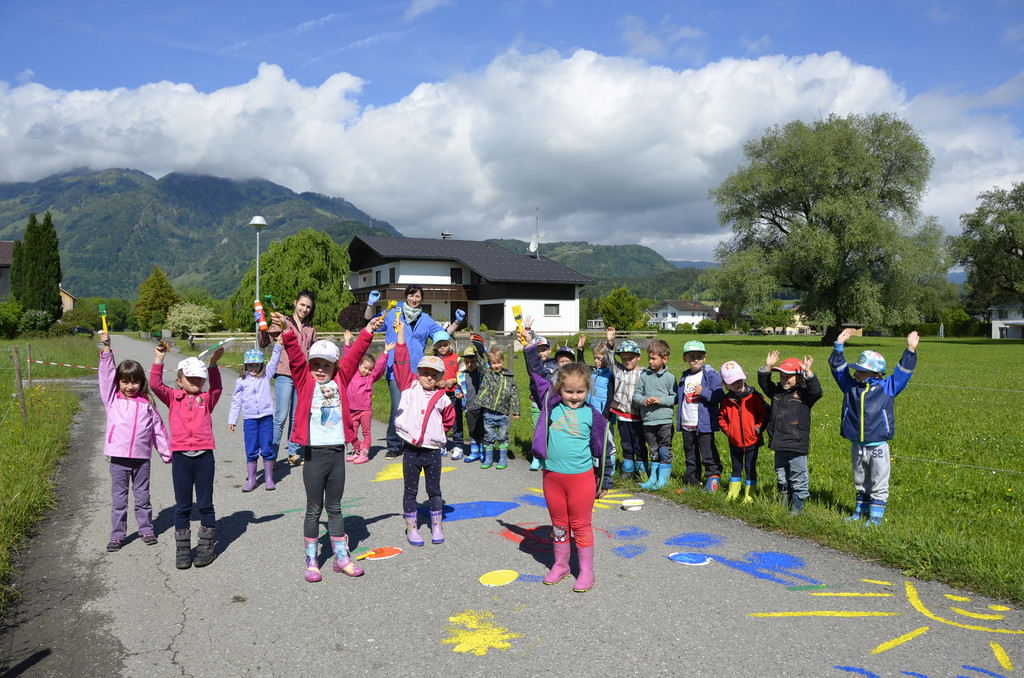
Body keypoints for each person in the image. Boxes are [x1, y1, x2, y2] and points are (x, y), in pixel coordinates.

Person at [277, 311, 382, 582]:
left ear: (336, 367)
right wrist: (287, 331)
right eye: (316, 364)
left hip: (336, 454)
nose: (320, 369)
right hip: (313, 455)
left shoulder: (341, 380)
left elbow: (355, 355)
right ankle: (312, 560)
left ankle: (340, 557)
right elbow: (295, 356)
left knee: (334, 507)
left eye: (326, 364)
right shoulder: (305, 381)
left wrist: (368, 330)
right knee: (314, 508)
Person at [524, 336, 613, 593]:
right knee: (559, 525)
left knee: (581, 525)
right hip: (552, 477)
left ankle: (586, 571)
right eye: (568, 391)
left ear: (588, 389)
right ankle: (561, 565)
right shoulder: (550, 405)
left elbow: (604, 451)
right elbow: (538, 374)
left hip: (581, 480)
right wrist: (529, 347)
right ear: (558, 389)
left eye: (580, 392)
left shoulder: (593, 416)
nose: (574, 397)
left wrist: (605, 481)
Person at [829, 329, 919, 526]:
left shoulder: (887, 387)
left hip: (878, 445)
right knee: (860, 479)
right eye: (856, 370)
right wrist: (839, 346)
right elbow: (838, 369)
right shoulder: (850, 386)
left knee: (878, 480)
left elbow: (903, 373)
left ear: (876, 374)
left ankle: (875, 519)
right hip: (857, 443)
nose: (856, 373)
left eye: (862, 371)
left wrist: (910, 350)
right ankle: (860, 512)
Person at [364, 285, 463, 460]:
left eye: (418, 296)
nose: (414, 299)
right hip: (395, 368)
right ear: (405, 296)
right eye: (411, 296)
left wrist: (457, 322)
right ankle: (394, 445)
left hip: (419, 371)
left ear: (421, 299)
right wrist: (371, 304)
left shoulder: (425, 319)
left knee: (417, 408)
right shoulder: (393, 313)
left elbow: (442, 335)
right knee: (398, 407)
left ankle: (412, 441)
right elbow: (371, 321)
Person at [151, 344, 223, 569]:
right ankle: (182, 549)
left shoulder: (206, 399)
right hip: (181, 458)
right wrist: (159, 359)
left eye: (199, 379)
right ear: (179, 381)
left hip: (204, 457)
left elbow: (217, 388)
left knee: (205, 504)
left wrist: (213, 365)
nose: (195, 382)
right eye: (190, 378)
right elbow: (155, 385)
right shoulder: (173, 398)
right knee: (182, 505)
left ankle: (206, 547)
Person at [99, 332, 171, 552]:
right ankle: (117, 535)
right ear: (118, 382)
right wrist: (107, 350)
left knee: (142, 498)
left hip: (141, 460)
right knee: (119, 501)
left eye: (135, 382)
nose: (130, 386)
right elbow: (105, 376)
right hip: (119, 459)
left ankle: (146, 530)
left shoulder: (147, 404)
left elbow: (158, 431)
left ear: (141, 382)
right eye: (125, 381)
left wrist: (167, 454)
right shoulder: (112, 399)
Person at [391, 315, 456, 546]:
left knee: (434, 490)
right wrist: (401, 336)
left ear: (440, 378)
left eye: (434, 374)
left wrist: (437, 433)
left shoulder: (442, 398)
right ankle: (412, 528)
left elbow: (449, 420)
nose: (428, 377)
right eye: (425, 372)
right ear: (417, 373)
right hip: (411, 450)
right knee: (410, 491)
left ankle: (436, 526)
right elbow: (401, 361)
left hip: (432, 451)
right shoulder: (409, 387)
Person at [758, 352, 822, 515]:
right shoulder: (777, 393)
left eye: (789, 376)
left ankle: (797, 510)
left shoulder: (804, 394)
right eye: (782, 376)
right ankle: (784, 506)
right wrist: (768, 367)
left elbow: (817, 392)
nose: (784, 380)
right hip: (779, 443)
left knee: (798, 478)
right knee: (782, 477)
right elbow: (764, 384)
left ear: (799, 377)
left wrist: (808, 373)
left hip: (796, 445)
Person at [259, 290, 318, 467]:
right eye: (302, 305)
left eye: (308, 307)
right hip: (284, 375)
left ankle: (293, 453)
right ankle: (271, 456)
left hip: (303, 377)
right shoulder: (283, 322)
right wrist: (262, 324)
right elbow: (263, 342)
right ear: (295, 303)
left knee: (296, 417)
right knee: (281, 417)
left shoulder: (310, 329)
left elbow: (315, 353)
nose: (304, 309)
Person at [227, 345, 283, 491]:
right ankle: (252, 480)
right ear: (245, 365)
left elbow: (274, 361)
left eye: (256, 365)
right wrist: (232, 420)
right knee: (251, 448)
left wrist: (278, 345)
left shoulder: (266, 376)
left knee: (267, 447)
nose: (253, 368)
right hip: (250, 420)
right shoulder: (241, 381)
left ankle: (269, 479)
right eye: (250, 365)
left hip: (266, 419)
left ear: (261, 365)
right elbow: (236, 401)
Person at [675, 340, 725, 491]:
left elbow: (719, 396)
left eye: (699, 356)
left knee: (708, 454)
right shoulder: (685, 376)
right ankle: (692, 483)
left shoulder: (710, 375)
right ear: (685, 358)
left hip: (704, 424)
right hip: (687, 422)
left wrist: (704, 392)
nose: (696, 360)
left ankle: (713, 483)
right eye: (692, 357)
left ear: (705, 357)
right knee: (690, 455)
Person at [718, 361, 768, 503]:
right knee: (736, 467)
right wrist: (728, 431)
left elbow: (765, 413)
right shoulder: (726, 400)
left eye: (739, 380)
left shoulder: (754, 396)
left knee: (750, 467)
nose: (737, 384)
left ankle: (749, 495)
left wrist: (758, 428)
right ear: (725, 384)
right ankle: (733, 493)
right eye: (732, 382)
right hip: (734, 441)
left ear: (744, 377)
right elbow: (721, 417)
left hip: (752, 440)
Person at [633, 339, 677, 490]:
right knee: (653, 450)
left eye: (654, 358)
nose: (650, 361)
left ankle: (663, 480)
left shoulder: (670, 378)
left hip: (664, 421)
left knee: (664, 450)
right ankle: (653, 477)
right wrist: (643, 401)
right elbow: (636, 395)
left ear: (665, 359)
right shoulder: (644, 377)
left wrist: (660, 400)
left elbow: (675, 398)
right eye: (649, 358)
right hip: (648, 421)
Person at [605, 326, 648, 480]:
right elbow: (609, 360)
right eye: (624, 358)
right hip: (623, 415)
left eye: (631, 357)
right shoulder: (619, 371)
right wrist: (610, 342)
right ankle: (628, 469)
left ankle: (642, 470)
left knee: (639, 444)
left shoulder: (644, 373)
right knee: (626, 443)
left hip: (639, 415)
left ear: (638, 357)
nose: (627, 361)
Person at [472, 345, 520, 470]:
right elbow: (480, 361)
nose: (497, 366)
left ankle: (502, 459)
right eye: (493, 363)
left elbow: (515, 395)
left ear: (502, 361)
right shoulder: (488, 374)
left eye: (499, 362)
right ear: (490, 363)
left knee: (503, 437)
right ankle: (489, 459)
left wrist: (516, 411)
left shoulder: (510, 378)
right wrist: (477, 348)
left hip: (503, 414)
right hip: (489, 414)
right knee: (489, 436)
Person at [344, 342, 393, 465]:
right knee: (352, 432)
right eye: (365, 368)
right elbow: (348, 359)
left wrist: (385, 353)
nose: (367, 371)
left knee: (366, 432)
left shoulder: (370, 378)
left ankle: (364, 454)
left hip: (365, 410)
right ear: (359, 365)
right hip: (352, 410)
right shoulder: (352, 374)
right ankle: (357, 451)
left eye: (370, 369)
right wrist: (347, 344)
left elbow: (379, 367)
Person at [520, 316, 557, 470]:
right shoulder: (533, 366)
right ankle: (537, 457)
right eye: (538, 350)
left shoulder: (555, 365)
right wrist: (527, 330)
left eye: (543, 349)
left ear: (550, 350)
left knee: (552, 431)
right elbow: (528, 353)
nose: (541, 352)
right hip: (537, 404)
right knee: (538, 430)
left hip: (551, 405)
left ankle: (549, 456)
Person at [577, 334, 617, 476]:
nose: (596, 361)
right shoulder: (592, 372)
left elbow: (611, 397)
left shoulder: (610, 375)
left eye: (599, 358)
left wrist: (606, 414)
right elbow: (581, 365)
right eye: (595, 358)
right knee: (592, 441)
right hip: (591, 414)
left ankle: (610, 469)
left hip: (604, 416)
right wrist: (580, 349)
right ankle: (594, 468)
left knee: (608, 442)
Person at [432, 330, 462, 456]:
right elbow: (429, 376)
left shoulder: (457, 358)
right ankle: (441, 443)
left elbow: (463, 373)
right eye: (439, 345)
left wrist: (455, 380)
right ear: (435, 346)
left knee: (456, 420)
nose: (442, 347)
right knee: (439, 420)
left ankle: (458, 445)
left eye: (445, 344)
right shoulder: (432, 360)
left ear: (450, 344)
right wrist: (437, 383)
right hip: (438, 395)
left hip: (454, 395)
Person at [457, 345, 483, 461]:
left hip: (481, 407)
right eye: (467, 362)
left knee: (482, 430)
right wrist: (458, 393)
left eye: (473, 362)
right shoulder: (462, 375)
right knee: (472, 430)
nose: (470, 365)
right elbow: (458, 388)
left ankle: (483, 452)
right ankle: (474, 452)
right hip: (469, 408)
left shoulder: (481, 374)